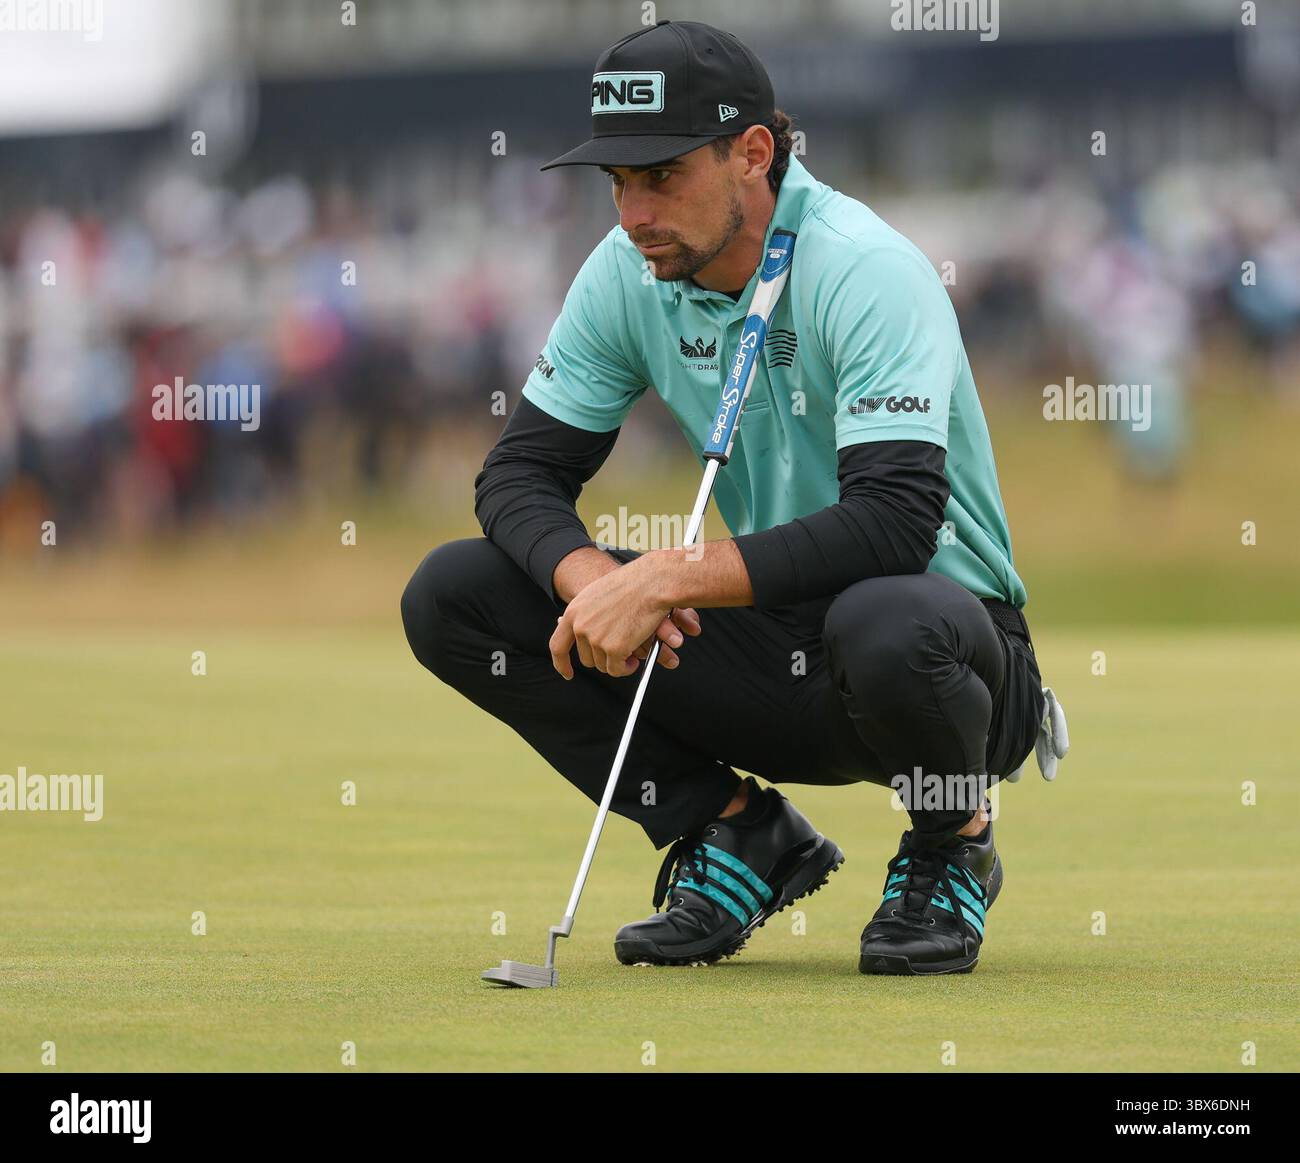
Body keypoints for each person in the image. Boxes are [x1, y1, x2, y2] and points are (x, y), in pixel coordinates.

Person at [402, 20, 1062, 976]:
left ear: (752, 153)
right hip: (772, 644)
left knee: (887, 617)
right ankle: (737, 830)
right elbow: (517, 476)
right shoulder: (628, 273)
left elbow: (894, 522)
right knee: (454, 592)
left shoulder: (863, 268)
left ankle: (949, 841)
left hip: (951, 658)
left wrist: (668, 574)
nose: (632, 212)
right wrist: (595, 581)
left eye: (660, 176)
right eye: (617, 183)